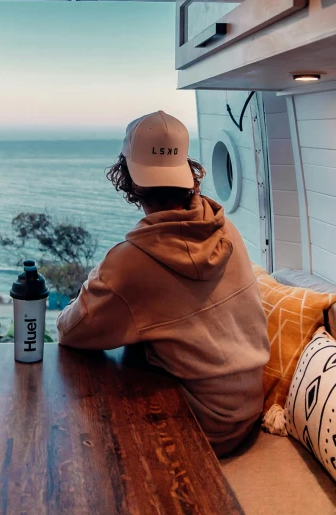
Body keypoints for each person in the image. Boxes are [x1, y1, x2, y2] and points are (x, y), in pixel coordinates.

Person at [56, 110, 270, 456]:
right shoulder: (225, 228)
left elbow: (70, 331)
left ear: (128, 178)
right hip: (245, 412)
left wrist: (108, 270)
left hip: (199, 426)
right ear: (188, 171)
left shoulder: (131, 263)